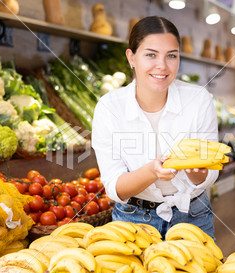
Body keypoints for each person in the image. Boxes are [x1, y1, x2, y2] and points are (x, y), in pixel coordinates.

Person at [91, 16, 219, 240]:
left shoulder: (199, 100)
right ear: (131, 58)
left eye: (171, 56)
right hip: (133, 222)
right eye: (151, 54)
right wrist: (152, 171)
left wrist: (198, 173)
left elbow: (211, 171)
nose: (162, 65)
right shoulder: (109, 107)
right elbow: (114, 187)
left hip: (193, 218)